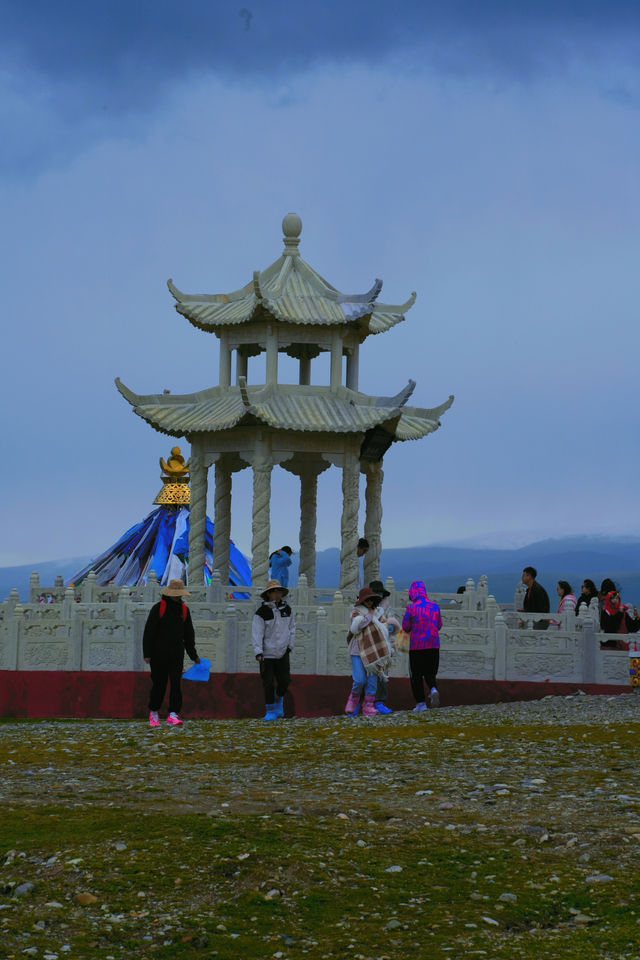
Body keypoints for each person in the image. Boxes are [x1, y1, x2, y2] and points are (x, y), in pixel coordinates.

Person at [143, 578, 200, 727]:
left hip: (176, 654)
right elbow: (149, 632)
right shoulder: (158, 608)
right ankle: (154, 711)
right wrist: (147, 653)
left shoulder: (184, 610)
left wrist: (193, 655)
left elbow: (189, 636)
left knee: (176, 685)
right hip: (158, 654)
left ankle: (173, 713)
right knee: (159, 684)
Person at [251, 579, 296, 720]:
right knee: (268, 682)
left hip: (283, 651)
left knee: (285, 681)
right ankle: (270, 710)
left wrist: (290, 645)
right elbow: (257, 632)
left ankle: (279, 699)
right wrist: (258, 651)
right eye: (274, 592)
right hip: (267, 653)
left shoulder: (287, 610)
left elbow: (292, 628)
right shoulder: (262, 612)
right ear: (268, 594)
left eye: (279, 591)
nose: (277, 594)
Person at [345, 586, 391, 717]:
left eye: (371, 600)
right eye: (367, 600)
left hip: (374, 651)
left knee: (372, 680)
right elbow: (356, 628)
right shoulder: (356, 613)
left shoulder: (377, 613)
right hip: (358, 650)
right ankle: (353, 700)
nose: (370, 603)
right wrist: (369, 616)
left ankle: (368, 706)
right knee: (359, 680)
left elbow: (384, 624)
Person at [402, 580, 442, 710]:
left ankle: (421, 703)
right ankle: (433, 688)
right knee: (430, 672)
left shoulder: (411, 607)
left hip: (417, 646)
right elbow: (439, 625)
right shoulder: (435, 606)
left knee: (417, 675)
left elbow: (406, 627)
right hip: (433, 645)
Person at [369, 579, 401, 714]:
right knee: (368, 675)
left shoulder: (387, 608)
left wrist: (385, 624)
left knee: (382, 675)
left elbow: (392, 626)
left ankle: (379, 702)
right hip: (368, 645)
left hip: (384, 645)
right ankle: (366, 702)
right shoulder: (365, 606)